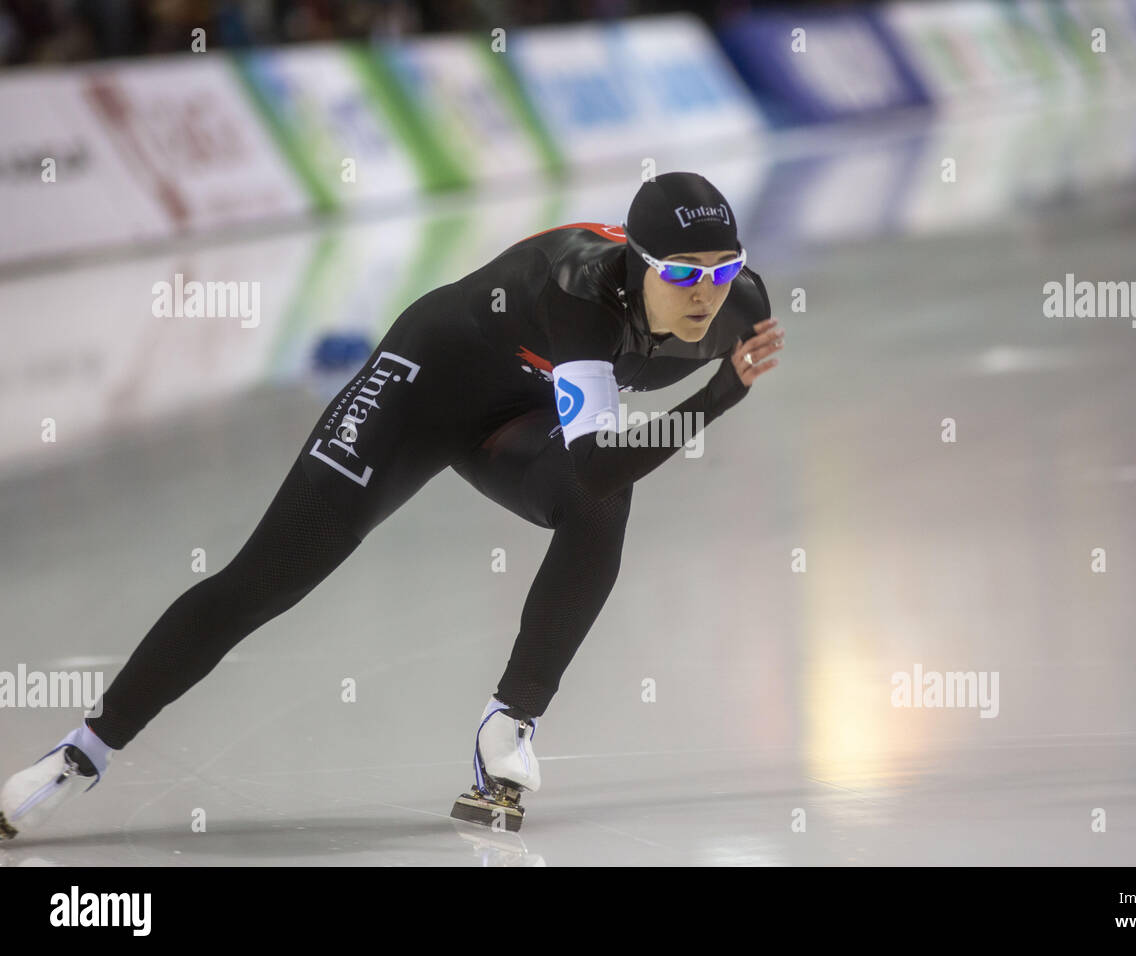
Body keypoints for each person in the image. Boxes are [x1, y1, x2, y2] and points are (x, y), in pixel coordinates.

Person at [0, 171, 784, 838]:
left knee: (599, 510)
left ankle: (508, 727)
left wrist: (715, 375)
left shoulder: (741, 307)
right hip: (425, 383)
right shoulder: (581, 293)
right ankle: (83, 753)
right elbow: (600, 462)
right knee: (266, 579)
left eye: (722, 269)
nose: (705, 292)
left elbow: (597, 483)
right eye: (681, 273)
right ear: (635, 262)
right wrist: (719, 396)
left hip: (519, 412)